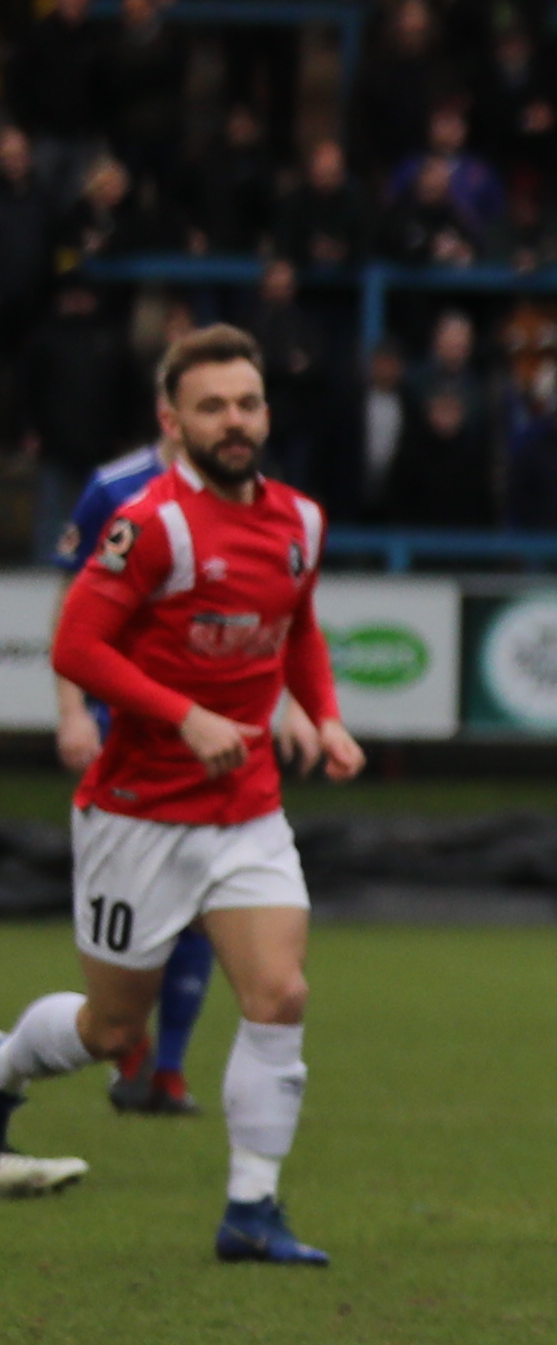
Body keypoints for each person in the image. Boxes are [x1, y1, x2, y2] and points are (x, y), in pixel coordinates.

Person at [0, 325, 363, 1264]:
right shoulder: (151, 524)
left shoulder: (302, 522)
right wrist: (184, 715)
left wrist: (322, 716)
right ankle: (4, 1072)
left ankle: (251, 1211)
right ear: (174, 421)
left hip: (245, 811)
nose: (233, 422)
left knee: (280, 994)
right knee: (111, 1027)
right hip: (137, 816)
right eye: (211, 407)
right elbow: (78, 646)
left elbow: (300, 629)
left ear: (265, 412)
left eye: (246, 403)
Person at [40, 415, 208, 1123]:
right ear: (172, 412)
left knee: (200, 898)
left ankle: (165, 1068)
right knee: (135, 908)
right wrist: (73, 710)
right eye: (211, 402)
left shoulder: (248, 496)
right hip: (124, 731)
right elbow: (72, 607)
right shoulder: (114, 488)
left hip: (205, 732)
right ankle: (123, 1043)